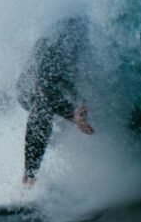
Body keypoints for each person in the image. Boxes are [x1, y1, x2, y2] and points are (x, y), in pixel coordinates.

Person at [16, 15, 94, 185]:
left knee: (68, 119)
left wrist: (80, 105)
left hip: (58, 85)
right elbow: (44, 86)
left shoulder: (93, 41)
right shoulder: (59, 43)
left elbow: (77, 81)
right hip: (29, 88)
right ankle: (29, 178)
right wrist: (72, 114)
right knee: (43, 107)